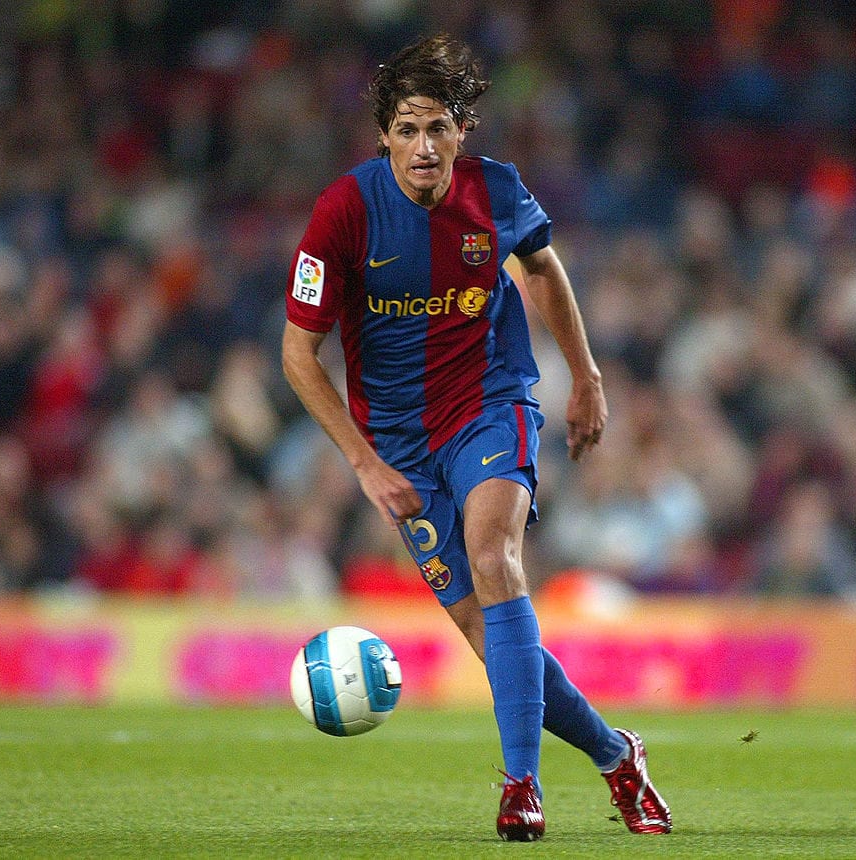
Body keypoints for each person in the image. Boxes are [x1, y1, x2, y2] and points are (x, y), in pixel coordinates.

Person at [282, 34, 671, 842]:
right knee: (484, 631)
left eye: (439, 128)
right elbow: (297, 355)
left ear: (462, 130)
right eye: (408, 129)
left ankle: (521, 785)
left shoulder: (495, 190)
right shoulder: (343, 212)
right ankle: (615, 753)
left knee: (495, 558)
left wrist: (586, 376)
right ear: (384, 135)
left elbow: (543, 269)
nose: (425, 146)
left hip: (489, 404)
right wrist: (363, 463)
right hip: (398, 444)